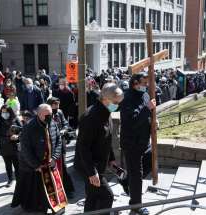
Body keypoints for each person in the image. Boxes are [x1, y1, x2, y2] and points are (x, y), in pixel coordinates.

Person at [74, 83, 124, 214]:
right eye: (116, 102)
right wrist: (91, 172)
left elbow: (106, 139)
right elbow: (83, 147)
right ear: (106, 99)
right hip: (89, 166)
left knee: (92, 197)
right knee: (107, 196)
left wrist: (111, 159)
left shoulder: (106, 111)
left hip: (99, 164)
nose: (118, 105)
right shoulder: (90, 117)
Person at [11, 104, 66, 214]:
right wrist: (36, 165)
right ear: (39, 114)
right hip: (34, 166)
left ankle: (55, 205)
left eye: (50, 114)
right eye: (47, 115)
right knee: (36, 191)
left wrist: (54, 157)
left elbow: (58, 141)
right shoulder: (29, 127)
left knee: (52, 187)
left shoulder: (53, 124)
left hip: (50, 163)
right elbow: (25, 150)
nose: (50, 117)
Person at [120, 72, 156, 215]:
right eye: (143, 83)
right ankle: (136, 205)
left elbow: (147, 112)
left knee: (150, 161)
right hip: (131, 143)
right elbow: (132, 120)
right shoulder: (126, 98)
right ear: (135, 83)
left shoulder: (146, 95)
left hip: (144, 141)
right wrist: (147, 109)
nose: (146, 85)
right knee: (137, 174)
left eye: (147, 83)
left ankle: (126, 181)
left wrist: (153, 121)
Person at [47, 97, 75, 199]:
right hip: (50, 145)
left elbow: (66, 124)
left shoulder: (59, 112)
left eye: (58, 105)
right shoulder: (46, 113)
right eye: (55, 105)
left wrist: (63, 130)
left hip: (60, 144)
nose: (57, 107)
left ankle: (68, 189)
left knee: (63, 166)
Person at [0, 105, 22, 187]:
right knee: (8, 165)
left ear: (10, 112)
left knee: (17, 165)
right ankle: (10, 179)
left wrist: (17, 137)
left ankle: (19, 182)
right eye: (3, 112)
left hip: (15, 147)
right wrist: (9, 139)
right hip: (4, 148)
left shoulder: (15, 120)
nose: (4, 113)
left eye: (6, 112)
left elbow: (22, 130)